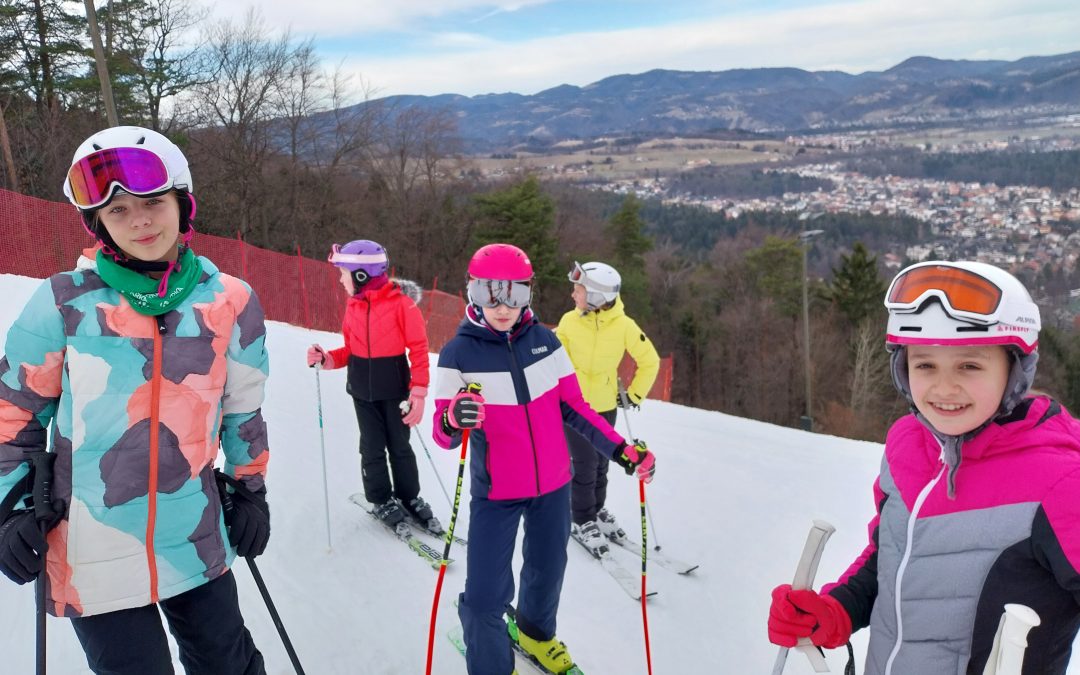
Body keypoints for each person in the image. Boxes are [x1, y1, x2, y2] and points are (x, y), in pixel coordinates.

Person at [0, 126, 270, 674]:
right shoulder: (63, 302)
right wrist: (10, 509)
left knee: (229, 663)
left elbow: (243, 409)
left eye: (152, 202)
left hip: (195, 535)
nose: (140, 221)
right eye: (118, 211)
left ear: (182, 203)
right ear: (98, 223)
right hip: (93, 546)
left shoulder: (230, 301)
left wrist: (250, 490)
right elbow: (14, 415)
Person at [767, 260, 1080, 675]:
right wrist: (834, 611)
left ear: (1014, 370)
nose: (943, 388)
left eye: (969, 366)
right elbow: (893, 556)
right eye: (925, 364)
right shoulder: (906, 445)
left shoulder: (1060, 481)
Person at [432, 243, 657, 675]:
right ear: (472, 292)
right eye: (488, 294)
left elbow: (576, 408)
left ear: (528, 294)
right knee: (483, 597)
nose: (502, 307)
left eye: (513, 294)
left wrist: (622, 451)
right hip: (496, 492)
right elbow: (443, 435)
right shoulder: (458, 354)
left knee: (547, 571)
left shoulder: (546, 342)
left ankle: (536, 634)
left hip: (554, 486)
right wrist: (452, 416)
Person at [307, 240, 437, 530]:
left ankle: (409, 497)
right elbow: (350, 350)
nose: (341, 280)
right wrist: (327, 359)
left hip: (394, 390)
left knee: (400, 445)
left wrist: (418, 391)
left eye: (344, 273)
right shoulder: (353, 307)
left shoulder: (402, 306)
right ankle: (381, 499)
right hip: (362, 392)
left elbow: (418, 349)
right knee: (372, 447)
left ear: (362, 275)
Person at [556, 261, 659, 556]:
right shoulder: (569, 321)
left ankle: (596, 510)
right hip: (574, 409)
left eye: (578, 290)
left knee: (602, 463)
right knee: (585, 465)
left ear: (598, 296)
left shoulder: (624, 326)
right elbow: (552, 356)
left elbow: (649, 360)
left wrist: (634, 395)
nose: (573, 295)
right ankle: (582, 518)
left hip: (604, 405)